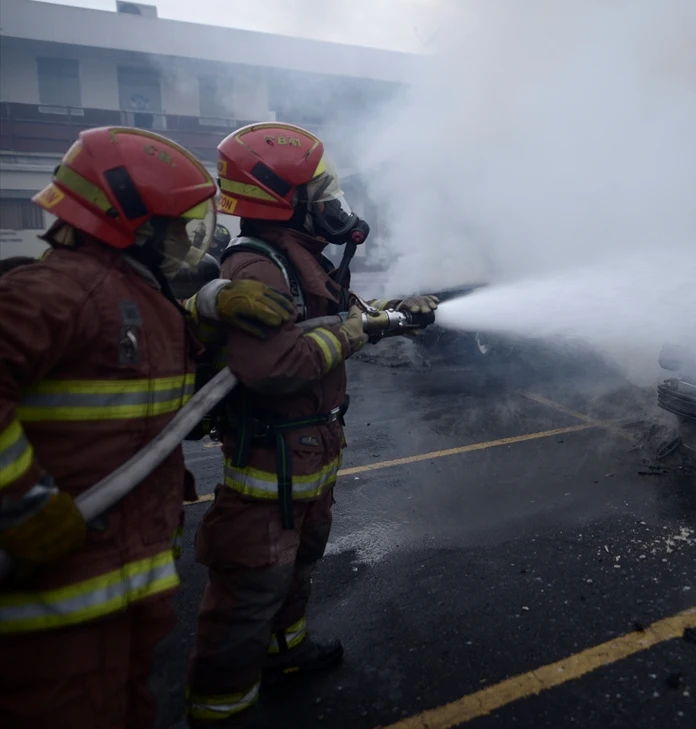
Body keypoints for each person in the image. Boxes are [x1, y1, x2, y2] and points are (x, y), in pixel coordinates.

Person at [0, 126, 298, 729]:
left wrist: (209, 304)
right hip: (57, 607)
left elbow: (156, 358)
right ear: (133, 225)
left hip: (114, 585)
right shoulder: (59, 289)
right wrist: (23, 503)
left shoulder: (126, 293)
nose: (188, 240)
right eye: (177, 226)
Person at [185, 122, 438, 727]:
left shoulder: (300, 260)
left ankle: (286, 652)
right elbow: (274, 367)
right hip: (269, 469)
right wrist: (353, 334)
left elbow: (346, 317)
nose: (333, 202)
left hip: (306, 459)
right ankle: (221, 710)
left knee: (297, 566)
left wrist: (397, 314)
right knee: (252, 591)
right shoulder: (260, 266)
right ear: (283, 198)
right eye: (320, 191)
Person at [170, 224, 232, 300]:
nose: (207, 243)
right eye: (207, 239)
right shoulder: (191, 255)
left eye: (212, 242)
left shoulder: (212, 265)